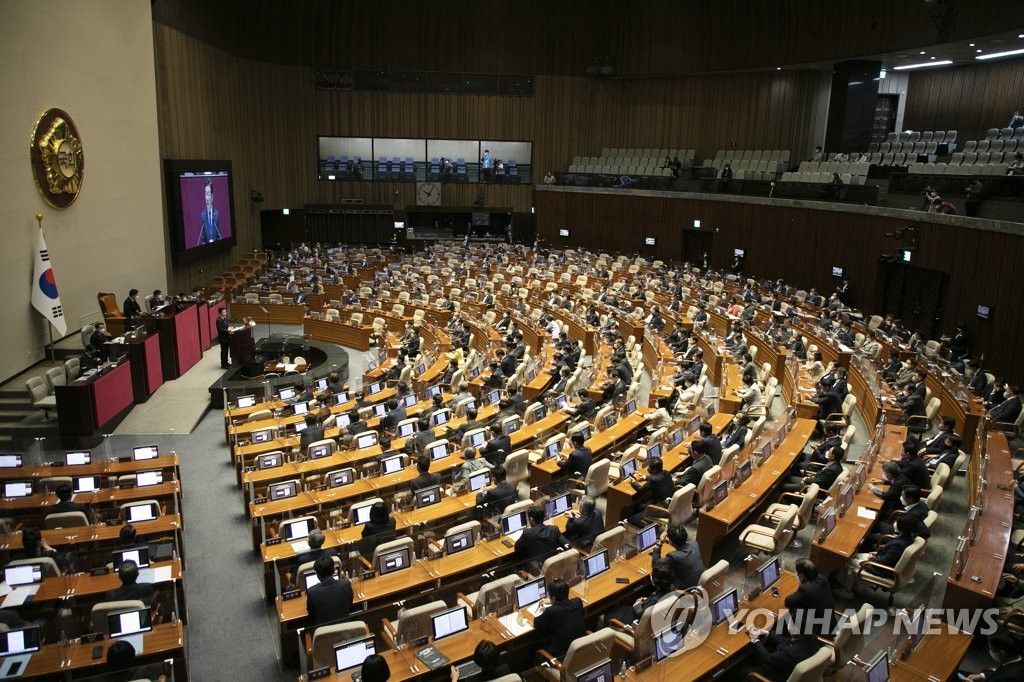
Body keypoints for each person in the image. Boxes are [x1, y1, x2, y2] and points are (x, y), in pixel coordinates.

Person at [740, 616, 823, 681]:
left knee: (742, 671)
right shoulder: (811, 635)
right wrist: (766, 633)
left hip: (780, 676)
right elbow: (788, 641)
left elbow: (768, 659)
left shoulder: (789, 653)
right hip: (796, 666)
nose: (788, 623)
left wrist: (754, 639)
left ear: (795, 629)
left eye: (790, 622)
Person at [533, 578, 585, 661]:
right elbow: (567, 602)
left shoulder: (551, 611)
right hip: (581, 648)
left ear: (553, 598)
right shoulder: (578, 602)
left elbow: (536, 623)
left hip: (562, 656)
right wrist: (553, 601)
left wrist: (553, 603)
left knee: (535, 646)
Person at [784, 559, 834, 636]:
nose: (795, 574)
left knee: (794, 611)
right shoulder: (822, 578)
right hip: (830, 622)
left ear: (801, 576)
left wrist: (801, 585)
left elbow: (788, 601)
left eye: (797, 573)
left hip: (818, 629)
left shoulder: (806, 590)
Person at [514, 505, 569, 571]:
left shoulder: (527, 533)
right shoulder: (553, 529)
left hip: (540, 569)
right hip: (555, 565)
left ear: (531, 519)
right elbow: (567, 545)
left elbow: (517, 547)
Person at [653, 524, 704, 589]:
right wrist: (667, 532)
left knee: (661, 575)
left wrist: (659, 543)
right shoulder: (694, 544)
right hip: (700, 583)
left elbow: (656, 564)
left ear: (670, 542)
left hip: (687, 589)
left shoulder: (674, 556)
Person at [958, 632, 1023, 681]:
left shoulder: (1010, 678)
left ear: (1001, 653)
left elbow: (1001, 676)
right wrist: (982, 675)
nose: (989, 651)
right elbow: (999, 673)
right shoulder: (1014, 659)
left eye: (990, 649)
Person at [197, 179, 222, 245]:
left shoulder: (217, 214)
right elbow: (202, 240)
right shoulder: (202, 215)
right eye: (205, 194)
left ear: (212, 196)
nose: (207, 198)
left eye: (208, 194)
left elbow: (219, 236)